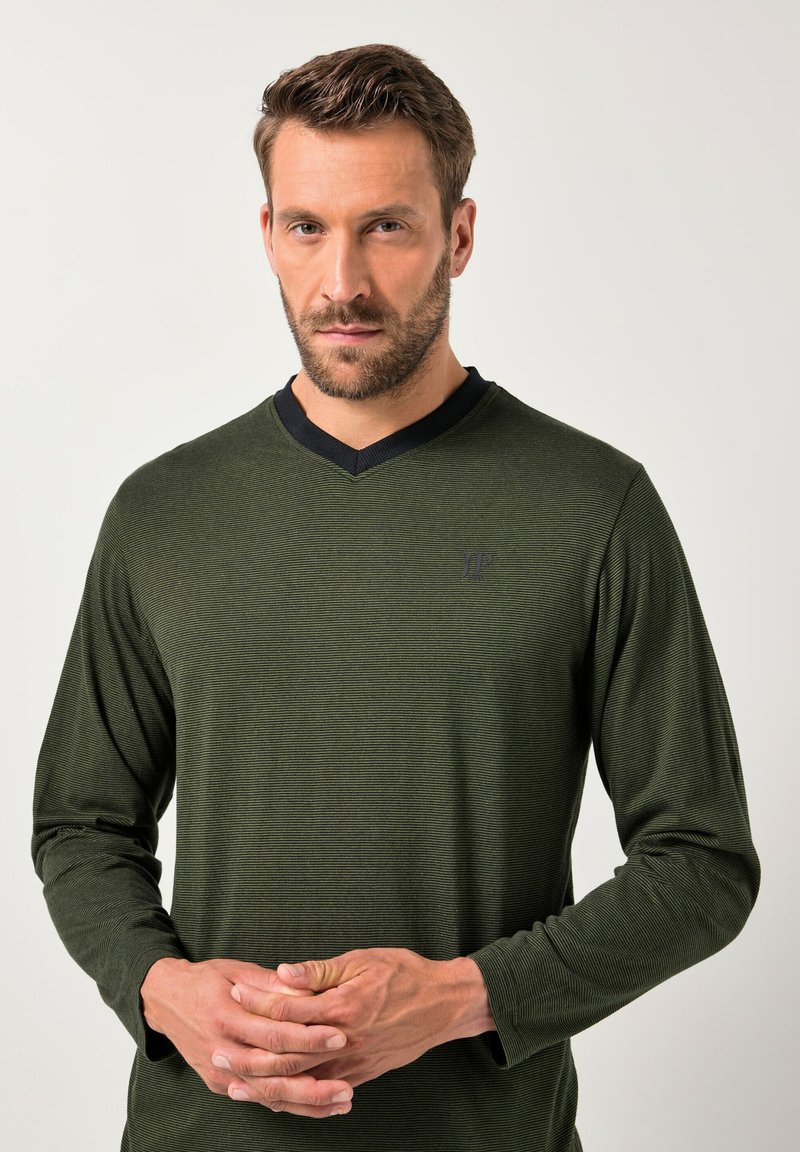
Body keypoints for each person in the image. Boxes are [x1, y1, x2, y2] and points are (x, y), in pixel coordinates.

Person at [31, 42, 760, 1152]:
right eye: (306, 227)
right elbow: (80, 823)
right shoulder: (161, 511)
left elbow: (702, 863)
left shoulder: (592, 506)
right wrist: (159, 986)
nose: (342, 283)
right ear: (266, 234)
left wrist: (465, 995)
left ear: (458, 236)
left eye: (386, 227)